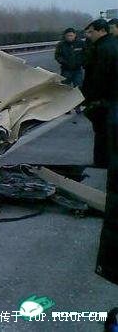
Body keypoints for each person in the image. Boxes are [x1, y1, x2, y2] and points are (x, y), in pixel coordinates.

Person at [80, 19, 118, 285]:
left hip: (108, 103)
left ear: (101, 31)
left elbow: (97, 77)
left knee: (104, 136)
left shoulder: (104, 50)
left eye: (91, 31)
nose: (88, 35)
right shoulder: (111, 46)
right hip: (111, 104)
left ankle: (102, 161)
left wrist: (89, 99)